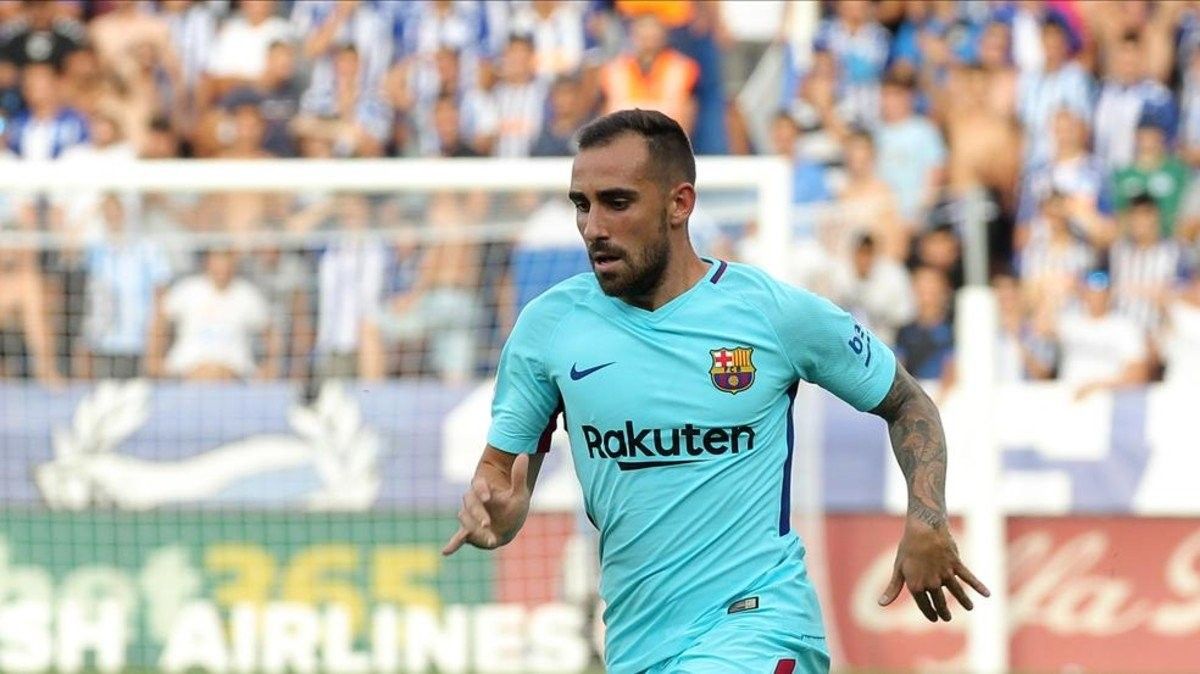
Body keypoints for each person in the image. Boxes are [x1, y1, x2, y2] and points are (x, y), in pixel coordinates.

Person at [442, 110, 988, 673]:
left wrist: (927, 516)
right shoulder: (549, 328)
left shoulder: (770, 313)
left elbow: (907, 402)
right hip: (636, 645)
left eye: (617, 202)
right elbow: (501, 480)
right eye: (582, 205)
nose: (593, 227)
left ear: (679, 204)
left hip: (759, 625)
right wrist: (496, 514)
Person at [1056, 270, 1149, 400]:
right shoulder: (1070, 321)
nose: (1096, 297)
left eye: (1101, 293)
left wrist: (1097, 387)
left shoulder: (1125, 327)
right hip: (1067, 397)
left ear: (1110, 294)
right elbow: (1041, 329)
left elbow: (1138, 374)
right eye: (1090, 291)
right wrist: (1057, 293)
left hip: (1109, 400)